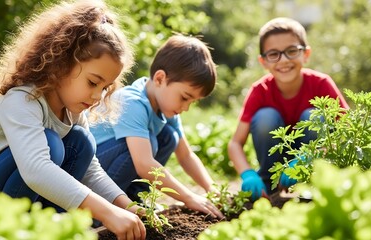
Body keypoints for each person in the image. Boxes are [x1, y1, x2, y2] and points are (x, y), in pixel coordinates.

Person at [0, 1, 146, 239]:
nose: (97, 96)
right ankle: (9, 231)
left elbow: (90, 171)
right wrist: (107, 214)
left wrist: (126, 206)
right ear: (61, 63)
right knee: (50, 144)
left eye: (105, 88)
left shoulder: (73, 111)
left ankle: (43, 230)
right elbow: (36, 170)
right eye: (93, 82)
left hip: (3, 194)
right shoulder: (22, 100)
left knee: (81, 142)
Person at [90, 34, 224, 219]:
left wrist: (211, 188)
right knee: (148, 144)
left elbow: (185, 155)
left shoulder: (164, 107)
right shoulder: (132, 102)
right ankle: (103, 209)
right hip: (91, 171)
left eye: (192, 102)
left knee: (169, 136)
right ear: (160, 78)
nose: (185, 107)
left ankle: (134, 198)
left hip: (113, 164)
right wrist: (188, 197)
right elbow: (144, 164)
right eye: (185, 97)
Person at [228, 17, 349, 201]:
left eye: (291, 51)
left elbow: (346, 130)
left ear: (306, 54)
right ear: (263, 61)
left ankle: (310, 183)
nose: (283, 60)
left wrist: (309, 157)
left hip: (313, 165)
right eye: (273, 54)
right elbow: (235, 143)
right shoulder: (260, 91)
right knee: (265, 117)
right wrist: (247, 174)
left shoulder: (321, 84)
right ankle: (269, 186)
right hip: (273, 166)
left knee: (314, 115)